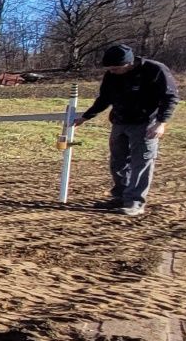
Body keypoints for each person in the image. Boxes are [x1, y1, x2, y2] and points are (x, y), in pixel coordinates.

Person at [75, 42, 178, 216]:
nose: (112, 72)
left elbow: (170, 97)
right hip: (120, 121)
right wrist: (85, 117)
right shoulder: (111, 75)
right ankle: (120, 197)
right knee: (118, 162)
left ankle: (135, 202)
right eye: (109, 69)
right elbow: (104, 98)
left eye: (115, 68)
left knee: (141, 162)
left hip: (146, 123)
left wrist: (161, 123)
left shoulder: (155, 70)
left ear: (128, 64)